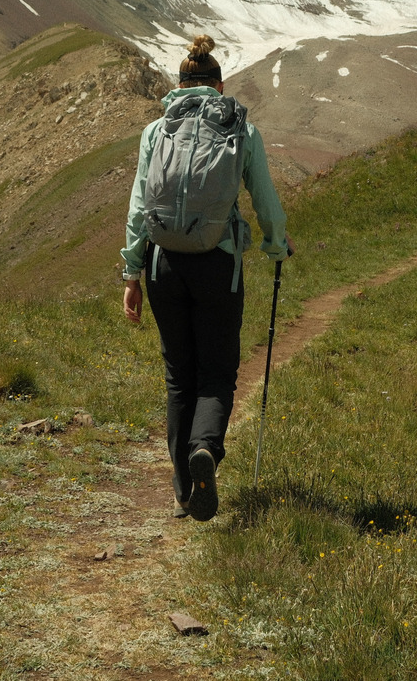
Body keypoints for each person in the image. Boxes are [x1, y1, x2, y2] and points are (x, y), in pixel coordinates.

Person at [121, 35, 293, 521]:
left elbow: (139, 206)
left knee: (179, 374)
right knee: (216, 372)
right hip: (218, 264)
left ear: (179, 87)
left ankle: (181, 489)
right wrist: (276, 245)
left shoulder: (156, 132)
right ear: (219, 86)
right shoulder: (240, 129)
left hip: (163, 265)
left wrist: (131, 274)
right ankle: (205, 450)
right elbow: (265, 200)